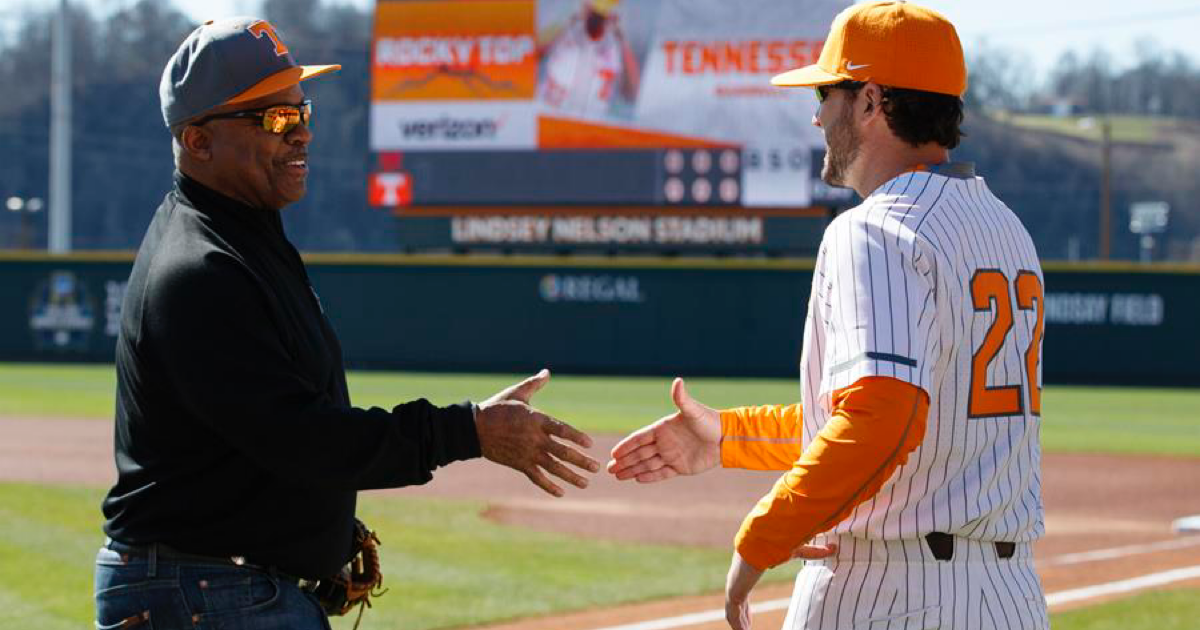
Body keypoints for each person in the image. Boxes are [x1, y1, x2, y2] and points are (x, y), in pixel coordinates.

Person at [95, 17, 599, 630]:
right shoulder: (200, 271)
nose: (302, 133)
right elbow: (302, 439)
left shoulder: (245, 240)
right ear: (198, 141)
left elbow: (253, 446)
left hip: (223, 584)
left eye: (302, 111)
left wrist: (317, 531)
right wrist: (468, 431)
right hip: (206, 592)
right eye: (276, 119)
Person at [608, 3, 1048, 629]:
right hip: (1010, 599)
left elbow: (881, 417)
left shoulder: (876, 229)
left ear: (871, 101)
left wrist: (764, 536)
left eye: (825, 92)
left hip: (892, 592)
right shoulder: (1006, 229)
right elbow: (911, 420)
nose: (816, 115)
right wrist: (731, 438)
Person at [537, 0, 642, 119]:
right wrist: (568, 23)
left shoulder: (616, 45)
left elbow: (633, 94)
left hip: (591, 123)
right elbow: (530, 57)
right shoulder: (565, 28)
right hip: (548, 112)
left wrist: (623, 41)